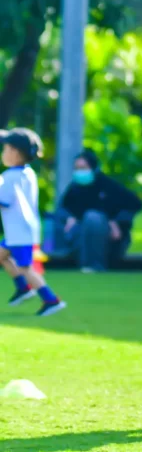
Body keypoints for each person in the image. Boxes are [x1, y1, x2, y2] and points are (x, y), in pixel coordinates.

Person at [0, 128, 66, 316]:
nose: (3, 153)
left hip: (19, 232)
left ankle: (51, 300)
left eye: (5, 149)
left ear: (14, 153)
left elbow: (3, 200)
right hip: (20, 230)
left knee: (25, 268)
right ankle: (23, 288)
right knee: (2, 256)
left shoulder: (10, 177)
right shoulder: (27, 173)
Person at [57, 149, 142, 272]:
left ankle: (96, 264)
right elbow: (64, 208)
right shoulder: (74, 188)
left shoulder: (108, 185)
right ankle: (83, 264)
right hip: (81, 234)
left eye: (83, 168)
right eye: (76, 168)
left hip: (111, 238)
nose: (79, 172)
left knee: (93, 217)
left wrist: (116, 222)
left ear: (93, 168)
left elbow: (135, 204)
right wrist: (69, 218)